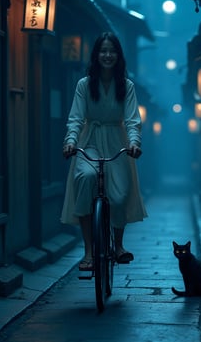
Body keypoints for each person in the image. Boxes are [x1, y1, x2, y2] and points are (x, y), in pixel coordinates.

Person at [61, 31, 147, 271]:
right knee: (86, 178)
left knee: (119, 194)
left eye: (112, 51)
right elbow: (76, 118)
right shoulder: (84, 84)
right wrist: (70, 141)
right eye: (103, 50)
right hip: (88, 140)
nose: (107, 55)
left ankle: (118, 245)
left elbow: (132, 120)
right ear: (96, 54)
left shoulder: (126, 86)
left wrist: (134, 142)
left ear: (118, 56)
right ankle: (88, 252)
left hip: (118, 142)